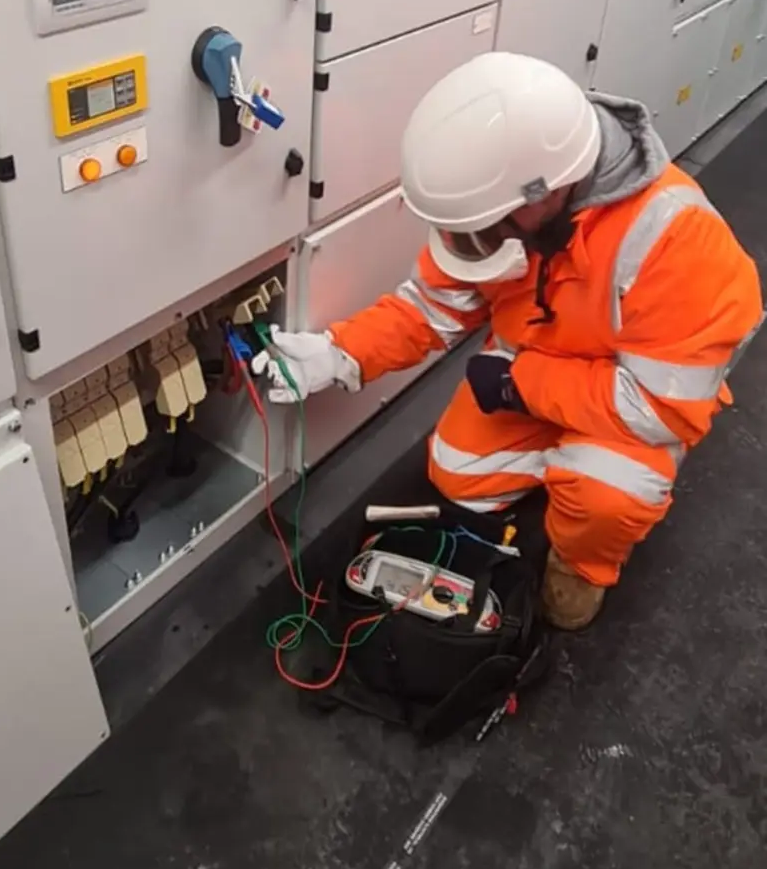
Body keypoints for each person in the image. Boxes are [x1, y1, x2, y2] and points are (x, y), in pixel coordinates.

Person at [253, 53, 762, 631]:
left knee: (605, 497)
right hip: (539, 377)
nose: (474, 238)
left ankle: (582, 564)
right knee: (457, 470)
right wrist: (343, 353)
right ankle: (561, 473)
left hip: (632, 405)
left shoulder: (677, 240)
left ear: (545, 192)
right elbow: (434, 307)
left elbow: (655, 407)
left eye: (486, 226)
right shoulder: (507, 209)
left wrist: (521, 385)